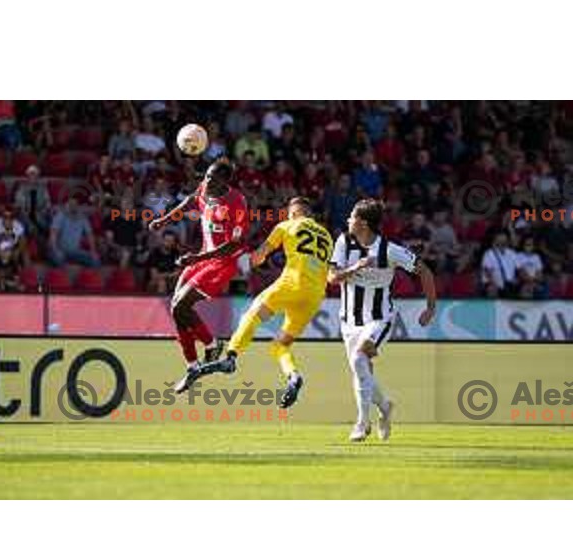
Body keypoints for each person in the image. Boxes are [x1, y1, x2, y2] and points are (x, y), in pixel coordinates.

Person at [199, 196, 333, 409]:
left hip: (291, 285)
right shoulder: (326, 235)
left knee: (252, 315)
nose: (288, 216)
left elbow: (260, 256)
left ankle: (231, 356)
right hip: (314, 295)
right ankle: (293, 376)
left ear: (296, 212)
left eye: (289, 213)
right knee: (281, 345)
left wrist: (246, 259)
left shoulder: (287, 225)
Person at [328, 198, 436, 442]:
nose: (348, 220)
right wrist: (357, 267)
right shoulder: (344, 242)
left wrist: (430, 308)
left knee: (359, 358)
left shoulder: (391, 250)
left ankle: (361, 423)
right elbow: (332, 278)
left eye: (352, 216)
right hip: (349, 320)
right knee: (361, 369)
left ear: (363, 223)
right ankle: (385, 407)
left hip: (380, 318)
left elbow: (425, 271)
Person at [149, 158, 249, 393]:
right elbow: (189, 201)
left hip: (222, 264)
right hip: (203, 257)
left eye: (213, 178)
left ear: (225, 181)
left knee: (182, 305)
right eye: (206, 176)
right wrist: (164, 220)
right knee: (176, 309)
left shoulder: (237, 202)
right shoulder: (206, 188)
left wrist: (196, 259)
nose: (206, 181)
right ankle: (193, 365)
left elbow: (234, 246)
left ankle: (212, 344)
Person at [49, 197, 100, 267]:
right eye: (71, 204)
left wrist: (93, 251)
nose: (73, 206)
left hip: (75, 251)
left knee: (96, 261)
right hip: (60, 249)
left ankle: (88, 276)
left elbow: (90, 234)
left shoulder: (82, 217)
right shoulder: (61, 215)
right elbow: (53, 234)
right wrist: (55, 250)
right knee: (58, 260)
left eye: (75, 204)